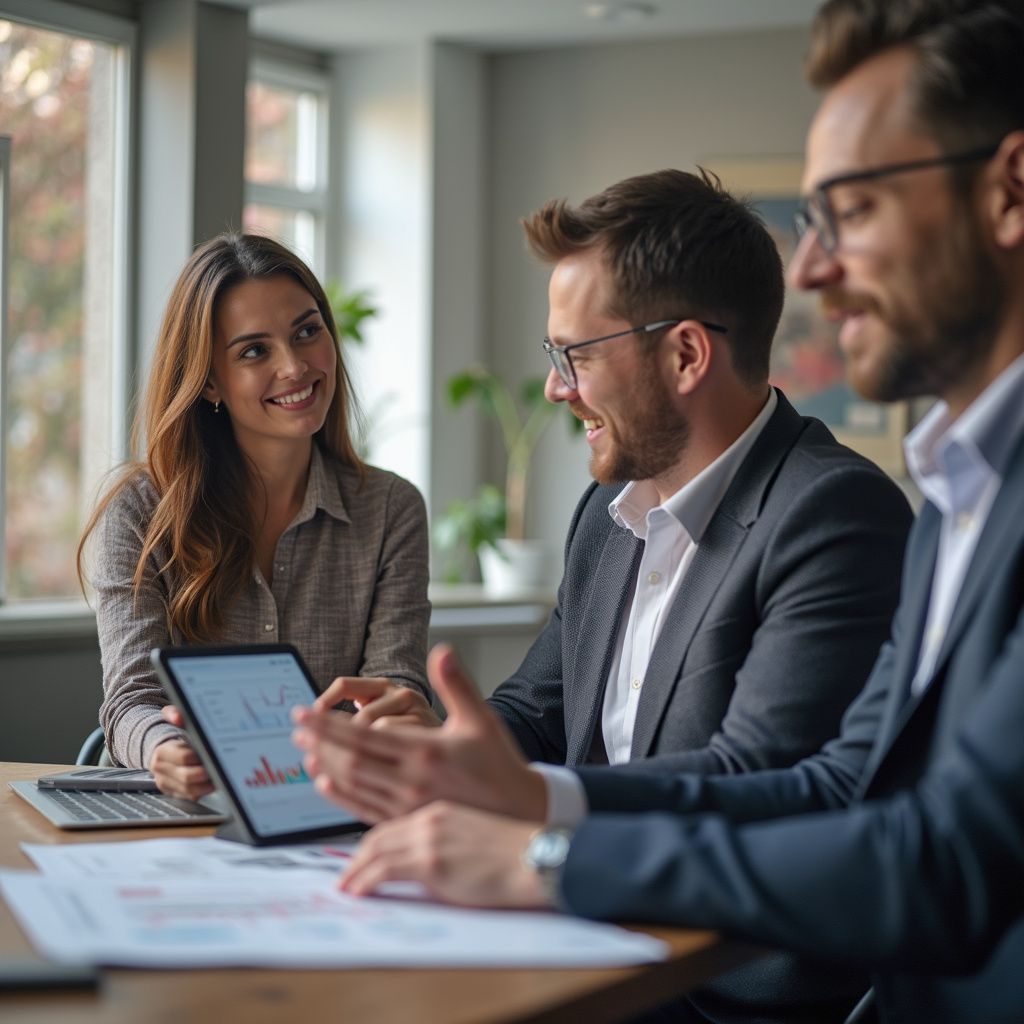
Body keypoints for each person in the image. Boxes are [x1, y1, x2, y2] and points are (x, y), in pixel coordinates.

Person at [293, 1, 1024, 1021]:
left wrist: (547, 852)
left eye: (849, 212)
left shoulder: (844, 512)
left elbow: (915, 848)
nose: (808, 269)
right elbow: (831, 786)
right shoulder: (958, 495)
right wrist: (491, 774)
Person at [316, 169, 911, 796]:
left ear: (686, 356)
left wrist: (546, 807)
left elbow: (756, 780)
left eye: (578, 355)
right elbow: (533, 718)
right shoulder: (607, 511)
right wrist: (438, 746)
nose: (555, 388)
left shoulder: (834, 516)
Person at [78, 233, 430, 799]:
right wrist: (163, 750)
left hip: (335, 809)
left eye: (307, 332)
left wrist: (390, 718)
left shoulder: (392, 509)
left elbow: (395, 686)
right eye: (253, 351)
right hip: (189, 815)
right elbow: (131, 701)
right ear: (209, 380)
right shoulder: (142, 513)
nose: (295, 367)